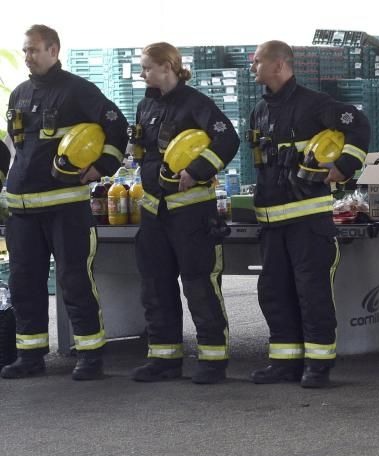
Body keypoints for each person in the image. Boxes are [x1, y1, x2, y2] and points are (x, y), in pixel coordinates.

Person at [1, 25, 128, 380]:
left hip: (66, 208)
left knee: (74, 280)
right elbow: (17, 148)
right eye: (24, 51)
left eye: (34, 50)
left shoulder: (79, 90)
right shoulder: (20, 94)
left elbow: (118, 129)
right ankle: (30, 354)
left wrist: (101, 168)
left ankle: (89, 354)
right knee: (24, 282)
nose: (27, 57)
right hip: (23, 210)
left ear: (54, 50)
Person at [247, 41, 370, 388]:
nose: (252, 67)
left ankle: (318, 365)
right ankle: (284, 362)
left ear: (279, 65)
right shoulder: (261, 110)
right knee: (274, 293)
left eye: (257, 62)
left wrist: (343, 166)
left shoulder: (315, 105)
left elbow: (358, 126)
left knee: (311, 294)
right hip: (272, 223)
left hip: (307, 223)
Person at [128, 42, 240, 384]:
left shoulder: (197, 104)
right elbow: (142, 151)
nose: (143, 73)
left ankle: (212, 360)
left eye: (147, 67)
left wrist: (196, 171)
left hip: (192, 216)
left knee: (199, 285)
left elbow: (228, 141)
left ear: (168, 67)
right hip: (153, 213)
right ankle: (164, 358)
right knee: (156, 286)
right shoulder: (146, 105)